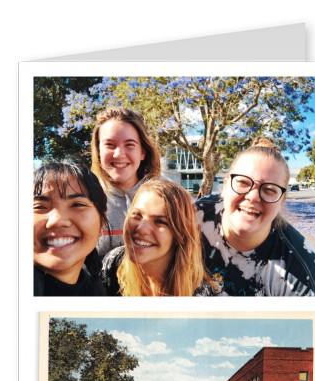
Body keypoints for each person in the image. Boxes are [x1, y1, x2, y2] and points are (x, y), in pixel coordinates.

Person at [196, 137, 315, 296]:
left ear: (282, 201)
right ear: (225, 186)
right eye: (243, 183)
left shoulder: (301, 274)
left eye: (269, 189)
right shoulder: (193, 216)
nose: (253, 197)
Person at [101, 180, 216, 296]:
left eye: (160, 221)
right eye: (137, 215)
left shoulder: (200, 294)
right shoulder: (112, 264)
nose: (142, 228)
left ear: (180, 234)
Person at [91, 106, 161, 257]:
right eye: (109, 144)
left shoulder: (166, 196)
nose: (119, 154)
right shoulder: (85, 199)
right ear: (98, 151)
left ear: (142, 152)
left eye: (129, 144)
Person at [33, 158, 108, 296]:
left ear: (102, 224)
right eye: (39, 207)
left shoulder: (97, 291)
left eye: (77, 205)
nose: (57, 221)